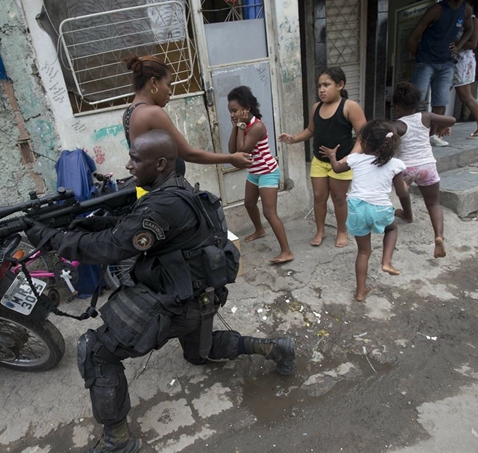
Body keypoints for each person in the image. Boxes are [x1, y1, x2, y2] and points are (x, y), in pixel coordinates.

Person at [24, 130, 296, 453]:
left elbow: (112, 247)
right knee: (198, 354)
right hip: (200, 297)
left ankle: (119, 442)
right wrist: (79, 225)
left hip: (178, 304)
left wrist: (52, 239)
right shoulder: (175, 189)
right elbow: (124, 225)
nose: (129, 165)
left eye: (136, 160)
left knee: (96, 351)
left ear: (162, 163)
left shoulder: (162, 205)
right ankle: (275, 348)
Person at [122, 54, 253, 178]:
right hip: (163, 194)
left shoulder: (128, 113)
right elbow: (189, 154)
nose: (170, 91)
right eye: (168, 84)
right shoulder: (152, 113)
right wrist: (231, 158)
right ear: (154, 83)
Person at [278, 67, 367, 248]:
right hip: (319, 161)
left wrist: (349, 158)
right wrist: (293, 139)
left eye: (326, 85)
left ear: (340, 85)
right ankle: (320, 230)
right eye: (319, 86)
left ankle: (342, 231)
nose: (322, 90)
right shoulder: (316, 107)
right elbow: (311, 130)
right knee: (319, 197)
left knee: (339, 198)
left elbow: (364, 137)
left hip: (341, 163)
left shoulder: (350, 107)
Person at [323, 120, 408, 302]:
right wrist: (408, 185)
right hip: (380, 209)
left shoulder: (355, 159)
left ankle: (360, 291)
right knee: (392, 229)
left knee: (363, 252)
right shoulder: (395, 164)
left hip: (356, 209)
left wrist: (332, 155)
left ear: (365, 142)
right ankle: (386, 261)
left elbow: (337, 169)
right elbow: (401, 192)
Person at [227, 86, 294, 264]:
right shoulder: (243, 125)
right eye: (230, 112)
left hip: (268, 172)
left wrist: (239, 126)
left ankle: (287, 251)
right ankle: (260, 230)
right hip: (255, 172)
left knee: (269, 212)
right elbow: (232, 150)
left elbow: (243, 150)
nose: (232, 115)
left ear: (246, 108)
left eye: (234, 111)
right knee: (249, 203)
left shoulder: (256, 126)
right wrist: (236, 127)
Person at [389, 81, 456, 259]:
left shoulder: (398, 125)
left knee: (402, 191)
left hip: (407, 168)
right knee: (434, 203)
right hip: (427, 166)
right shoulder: (426, 117)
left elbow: (387, 134)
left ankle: (407, 214)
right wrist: (442, 126)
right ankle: (439, 236)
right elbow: (452, 120)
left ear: (397, 106)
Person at [407, 0, 473, 147]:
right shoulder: (437, 9)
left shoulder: (465, 9)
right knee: (416, 100)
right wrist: (419, 57)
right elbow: (412, 37)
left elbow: (469, 29)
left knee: (441, 101)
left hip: (446, 63)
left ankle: (433, 135)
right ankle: (412, 135)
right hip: (426, 62)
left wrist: (459, 46)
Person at [453, 1, 478, 138]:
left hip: (463, 60)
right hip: (452, 59)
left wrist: (456, 45)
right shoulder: (456, 18)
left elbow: (473, 43)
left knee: (466, 96)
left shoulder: (473, 21)